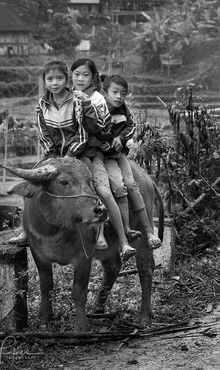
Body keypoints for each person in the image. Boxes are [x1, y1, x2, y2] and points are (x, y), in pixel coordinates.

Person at [9, 59, 90, 245]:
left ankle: (98, 222)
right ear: (44, 81)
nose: (55, 83)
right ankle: (26, 228)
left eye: (59, 78)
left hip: (76, 153)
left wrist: (69, 156)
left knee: (90, 181)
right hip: (53, 155)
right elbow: (42, 131)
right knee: (31, 183)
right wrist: (52, 155)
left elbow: (82, 132)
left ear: (67, 80)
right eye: (50, 79)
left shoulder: (77, 101)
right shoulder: (42, 104)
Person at [71, 57, 140, 261]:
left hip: (93, 153)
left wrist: (87, 106)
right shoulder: (66, 97)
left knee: (109, 190)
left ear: (94, 78)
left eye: (85, 74)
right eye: (76, 74)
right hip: (70, 152)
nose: (80, 78)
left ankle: (123, 238)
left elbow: (100, 131)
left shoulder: (97, 100)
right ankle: (30, 233)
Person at [101, 74, 162, 250]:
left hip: (118, 155)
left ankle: (149, 231)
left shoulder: (123, 110)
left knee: (130, 184)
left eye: (123, 93)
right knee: (116, 187)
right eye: (115, 92)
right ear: (105, 92)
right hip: (101, 155)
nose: (119, 96)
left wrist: (120, 137)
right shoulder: (97, 107)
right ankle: (121, 229)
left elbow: (130, 126)